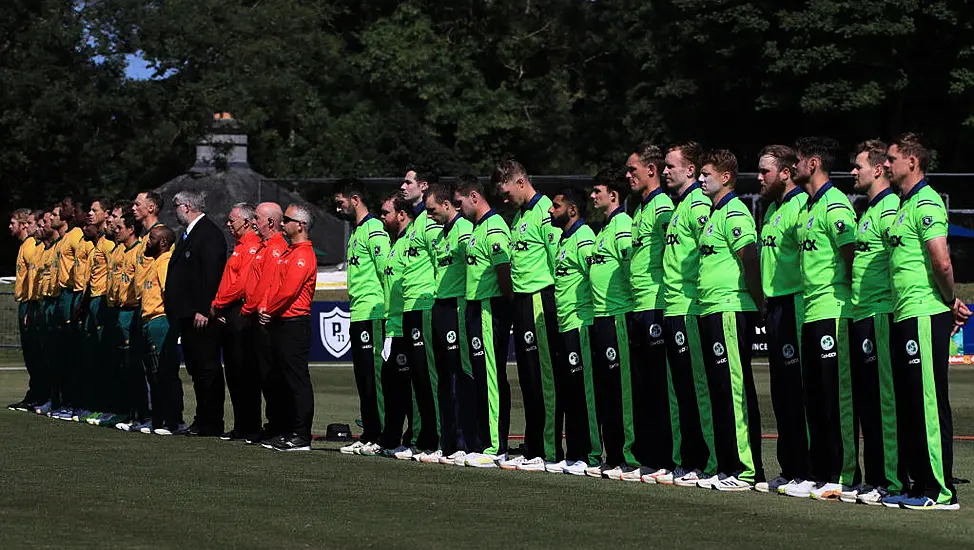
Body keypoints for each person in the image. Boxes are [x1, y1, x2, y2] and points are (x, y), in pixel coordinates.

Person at [882, 133, 970, 510]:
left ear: (912, 162)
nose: (885, 164)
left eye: (891, 159)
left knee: (928, 403)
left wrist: (949, 301)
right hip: (906, 313)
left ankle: (940, 491)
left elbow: (942, 261)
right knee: (911, 403)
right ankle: (919, 486)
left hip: (923, 313)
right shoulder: (905, 204)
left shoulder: (927, 202)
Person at [786, 137, 858, 500]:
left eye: (796, 160)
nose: (792, 166)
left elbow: (851, 254)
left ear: (812, 164)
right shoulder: (806, 208)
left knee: (835, 397)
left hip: (832, 311)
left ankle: (842, 474)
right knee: (813, 396)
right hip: (809, 312)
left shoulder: (835, 203)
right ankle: (819, 472)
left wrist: (844, 293)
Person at [696, 149, 765, 491]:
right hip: (711, 309)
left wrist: (758, 302)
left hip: (729, 309)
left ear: (725, 177)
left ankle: (747, 469)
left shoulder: (735, 211)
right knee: (720, 390)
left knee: (735, 388)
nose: (700, 179)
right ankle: (727, 465)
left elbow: (749, 258)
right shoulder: (713, 213)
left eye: (706, 173)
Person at [845, 139, 905, 505]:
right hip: (861, 312)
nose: (853, 171)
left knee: (885, 400)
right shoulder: (868, 210)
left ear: (879, 169)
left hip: (882, 312)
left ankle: (891, 479)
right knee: (868, 400)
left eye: (859, 165)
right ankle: (875, 477)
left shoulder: (890, 209)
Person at [492, 159, 562, 472]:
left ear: (520, 182)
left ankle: (548, 449)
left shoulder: (545, 211)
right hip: (521, 302)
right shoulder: (520, 216)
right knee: (528, 378)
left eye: (506, 191)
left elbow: (556, 260)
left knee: (543, 377)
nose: (504, 199)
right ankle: (534, 444)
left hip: (539, 299)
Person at [660, 142, 717, 487]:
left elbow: (705, 255)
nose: (665, 171)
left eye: (671, 166)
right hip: (673, 306)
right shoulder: (681, 205)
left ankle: (704, 460)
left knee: (696, 388)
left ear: (691, 170)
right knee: (680, 390)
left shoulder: (697, 205)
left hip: (688, 307)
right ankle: (689, 458)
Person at [755, 144, 810, 494]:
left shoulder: (801, 205)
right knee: (780, 393)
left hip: (796, 305)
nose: (759, 178)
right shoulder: (770, 208)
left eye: (766, 172)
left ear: (786, 173)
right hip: (774, 308)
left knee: (798, 391)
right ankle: (789, 468)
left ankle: (805, 469)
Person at [625, 143, 677, 483]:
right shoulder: (641, 209)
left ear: (651, 170)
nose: (628, 175)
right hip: (638, 306)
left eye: (633, 169)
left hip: (657, 305)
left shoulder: (663, 207)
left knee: (660, 386)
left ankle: (666, 458)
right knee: (643, 387)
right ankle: (649, 457)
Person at [455, 178, 514, 468]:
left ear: (474, 196)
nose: (458, 208)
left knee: (491, 376)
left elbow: (504, 270)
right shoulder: (478, 229)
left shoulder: (494, 226)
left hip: (490, 307)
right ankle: (482, 441)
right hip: (475, 307)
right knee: (479, 375)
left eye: (460, 201)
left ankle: (496, 446)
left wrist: (505, 306)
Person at [586, 167, 637, 480]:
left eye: (597, 191)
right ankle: (613, 454)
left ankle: (630, 457)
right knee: (606, 391)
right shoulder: (604, 228)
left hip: (619, 317)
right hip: (601, 317)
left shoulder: (622, 225)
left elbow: (631, 269)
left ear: (614, 196)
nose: (592, 196)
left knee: (623, 391)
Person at [164, 190, 228, 437]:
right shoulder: (189, 234)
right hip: (186, 313)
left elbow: (212, 274)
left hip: (200, 315)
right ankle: (202, 418)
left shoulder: (209, 234)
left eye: (176, 206)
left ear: (187, 206)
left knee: (206, 368)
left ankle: (211, 420)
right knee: (196, 367)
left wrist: (204, 308)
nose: (174, 211)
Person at [334, 181, 391, 456]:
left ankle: (379, 435)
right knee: (363, 377)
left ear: (355, 199)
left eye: (340, 201)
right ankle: (369, 433)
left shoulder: (375, 230)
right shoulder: (356, 232)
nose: (337, 207)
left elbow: (385, 274)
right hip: (358, 312)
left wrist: (388, 313)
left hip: (374, 312)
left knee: (375, 377)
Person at [548, 188, 601, 475]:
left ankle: (591, 454)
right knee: (570, 392)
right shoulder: (563, 240)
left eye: (555, 206)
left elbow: (593, 282)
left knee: (585, 392)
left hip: (580, 324)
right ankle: (575, 453)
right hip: (565, 324)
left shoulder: (584, 239)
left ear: (572, 210)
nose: (549, 210)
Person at [258, 203, 318, 451]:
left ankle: (301, 435)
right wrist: (265, 306)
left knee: (296, 380)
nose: (283, 223)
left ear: (300, 225)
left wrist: (268, 309)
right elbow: (273, 285)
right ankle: (287, 430)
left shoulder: (303, 255)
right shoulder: (289, 253)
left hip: (294, 323)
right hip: (281, 322)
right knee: (281, 380)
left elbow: (289, 291)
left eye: (287, 220)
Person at [423, 181, 476, 464]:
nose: (429, 216)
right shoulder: (441, 235)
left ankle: (464, 442)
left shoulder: (464, 231)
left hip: (458, 305)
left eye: (432, 210)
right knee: (444, 377)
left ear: (447, 205)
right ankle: (447, 443)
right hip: (440, 306)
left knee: (459, 375)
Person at [394, 167, 442, 460]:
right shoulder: (417, 222)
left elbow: (440, 263)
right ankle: (424, 438)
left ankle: (436, 439)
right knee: (419, 379)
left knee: (430, 377)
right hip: (411, 307)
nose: (403, 186)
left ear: (423, 186)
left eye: (408, 181)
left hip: (425, 306)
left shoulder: (431, 221)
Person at [212, 202, 262, 441]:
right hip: (228, 312)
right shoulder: (240, 246)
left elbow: (241, 284)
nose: (229, 224)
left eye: (232, 220)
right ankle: (242, 423)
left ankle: (250, 425)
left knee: (243, 372)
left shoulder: (251, 246)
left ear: (246, 221)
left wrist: (219, 302)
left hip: (239, 313)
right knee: (233, 371)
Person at [241, 202, 289, 443]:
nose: (253, 223)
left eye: (257, 218)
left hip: (263, 318)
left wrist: (252, 308)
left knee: (271, 375)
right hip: (255, 314)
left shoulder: (276, 248)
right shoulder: (265, 247)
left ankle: (278, 426)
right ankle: (272, 425)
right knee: (262, 375)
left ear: (270, 222)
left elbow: (267, 284)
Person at [374, 195, 415, 457]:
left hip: (405, 325)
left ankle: (414, 438)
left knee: (407, 388)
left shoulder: (411, 240)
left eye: (386, 212)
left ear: (401, 214)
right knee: (391, 387)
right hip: (392, 325)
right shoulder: (394, 243)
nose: (382, 217)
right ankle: (390, 438)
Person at [140, 224, 184, 435]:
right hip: (150, 320)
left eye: (152, 238)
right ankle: (158, 418)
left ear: (163, 242)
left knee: (163, 372)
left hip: (160, 320)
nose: (147, 242)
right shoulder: (154, 262)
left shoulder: (165, 262)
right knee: (154, 373)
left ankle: (171, 420)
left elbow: (170, 293)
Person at [113, 211, 152, 432]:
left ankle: (145, 412)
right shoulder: (121, 251)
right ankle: (132, 412)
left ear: (130, 229)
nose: (116, 231)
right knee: (125, 365)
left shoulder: (139, 250)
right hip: (121, 309)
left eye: (120, 228)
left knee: (137, 365)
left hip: (134, 310)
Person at [82, 199, 119, 425]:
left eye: (95, 210)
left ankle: (112, 406)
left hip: (105, 300)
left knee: (109, 356)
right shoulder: (101, 241)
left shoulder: (110, 244)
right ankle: (100, 405)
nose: (90, 214)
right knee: (96, 357)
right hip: (95, 299)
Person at [52, 199, 86, 419]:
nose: (60, 209)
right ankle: (64, 400)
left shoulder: (77, 236)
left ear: (73, 210)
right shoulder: (66, 237)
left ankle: (75, 401)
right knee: (63, 353)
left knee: (74, 353)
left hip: (74, 292)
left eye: (64, 205)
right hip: (64, 294)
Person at [8, 208, 40, 411]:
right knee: (30, 353)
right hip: (25, 302)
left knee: (34, 353)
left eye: (13, 222)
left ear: (23, 225)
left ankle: (37, 394)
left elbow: (32, 280)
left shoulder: (30, 247)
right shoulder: (24, 247)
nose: (10, 226)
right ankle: (34, 393)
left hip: (30, 303)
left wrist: (29, 307)